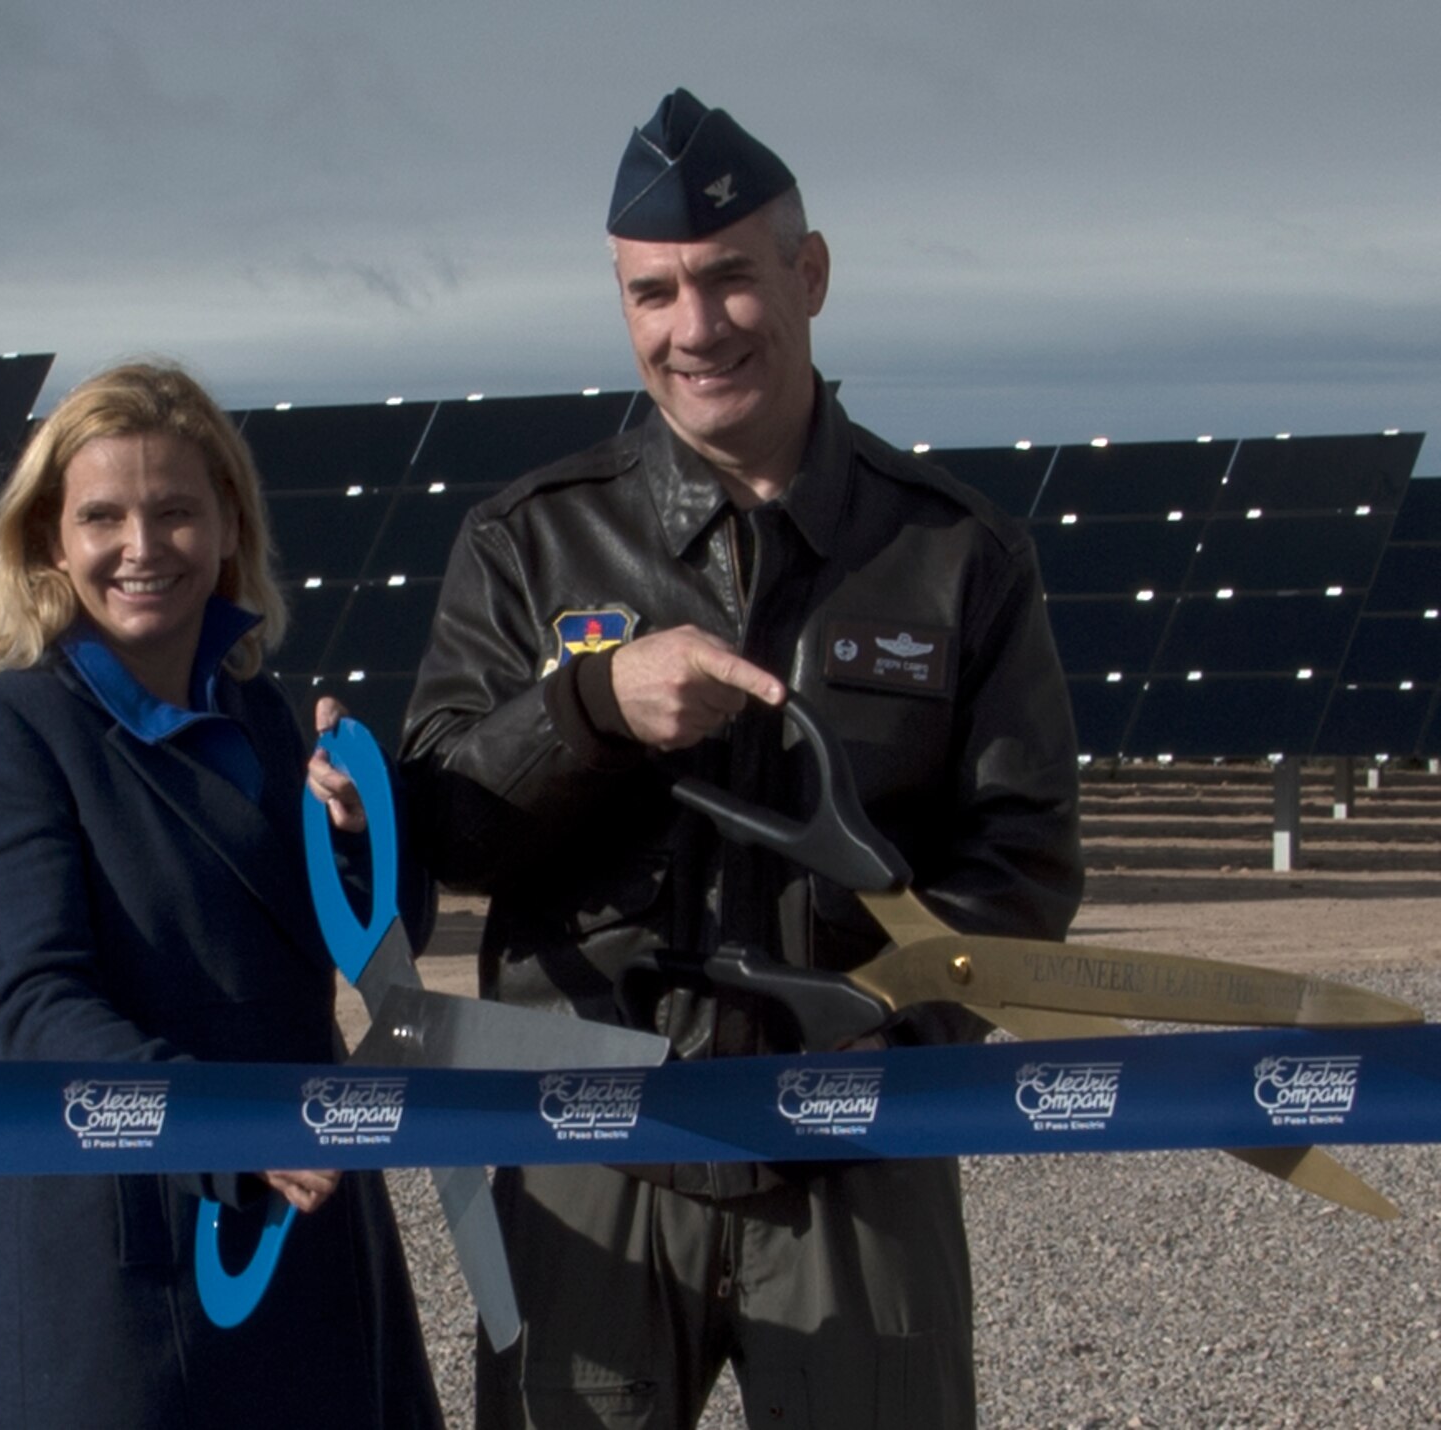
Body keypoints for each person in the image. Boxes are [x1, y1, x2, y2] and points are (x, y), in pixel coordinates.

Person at [400, 90, 1083, 1430]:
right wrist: (588, 708)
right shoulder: (528, 546)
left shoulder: (954, 554)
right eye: (653, 293)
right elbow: (443, 827)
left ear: (809, 274)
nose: (694, 328)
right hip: (584, 1127)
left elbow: (1025, 853)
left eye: (728, 280)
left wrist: (889, 1016)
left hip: (860, 1138)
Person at [0, 360, 444, 1429]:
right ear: (48, 540)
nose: (142, 545)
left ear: (225, 525)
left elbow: (378, 949)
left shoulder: (274, 724)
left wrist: (359, 835)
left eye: (174, 511)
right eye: (103, 515)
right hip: (119, 1257)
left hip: (310, 1238)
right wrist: (224, 1118)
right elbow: (36, 1009)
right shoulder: (6, 733)